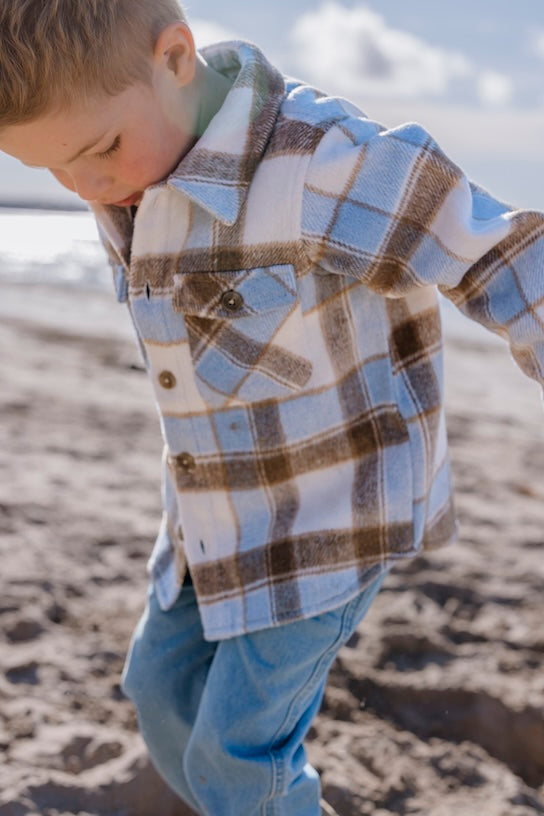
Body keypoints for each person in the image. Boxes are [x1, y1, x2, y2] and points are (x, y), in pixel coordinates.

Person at [0, 1, 542, 814]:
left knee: (236, 756)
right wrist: (100, 157)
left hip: (326, 525)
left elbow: (497, 250)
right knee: (157, 692)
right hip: (208, 519)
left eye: (100, 151)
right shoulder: (128, 158)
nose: (88, 188)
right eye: (51, 172)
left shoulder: (320, 164)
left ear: (175, 57)